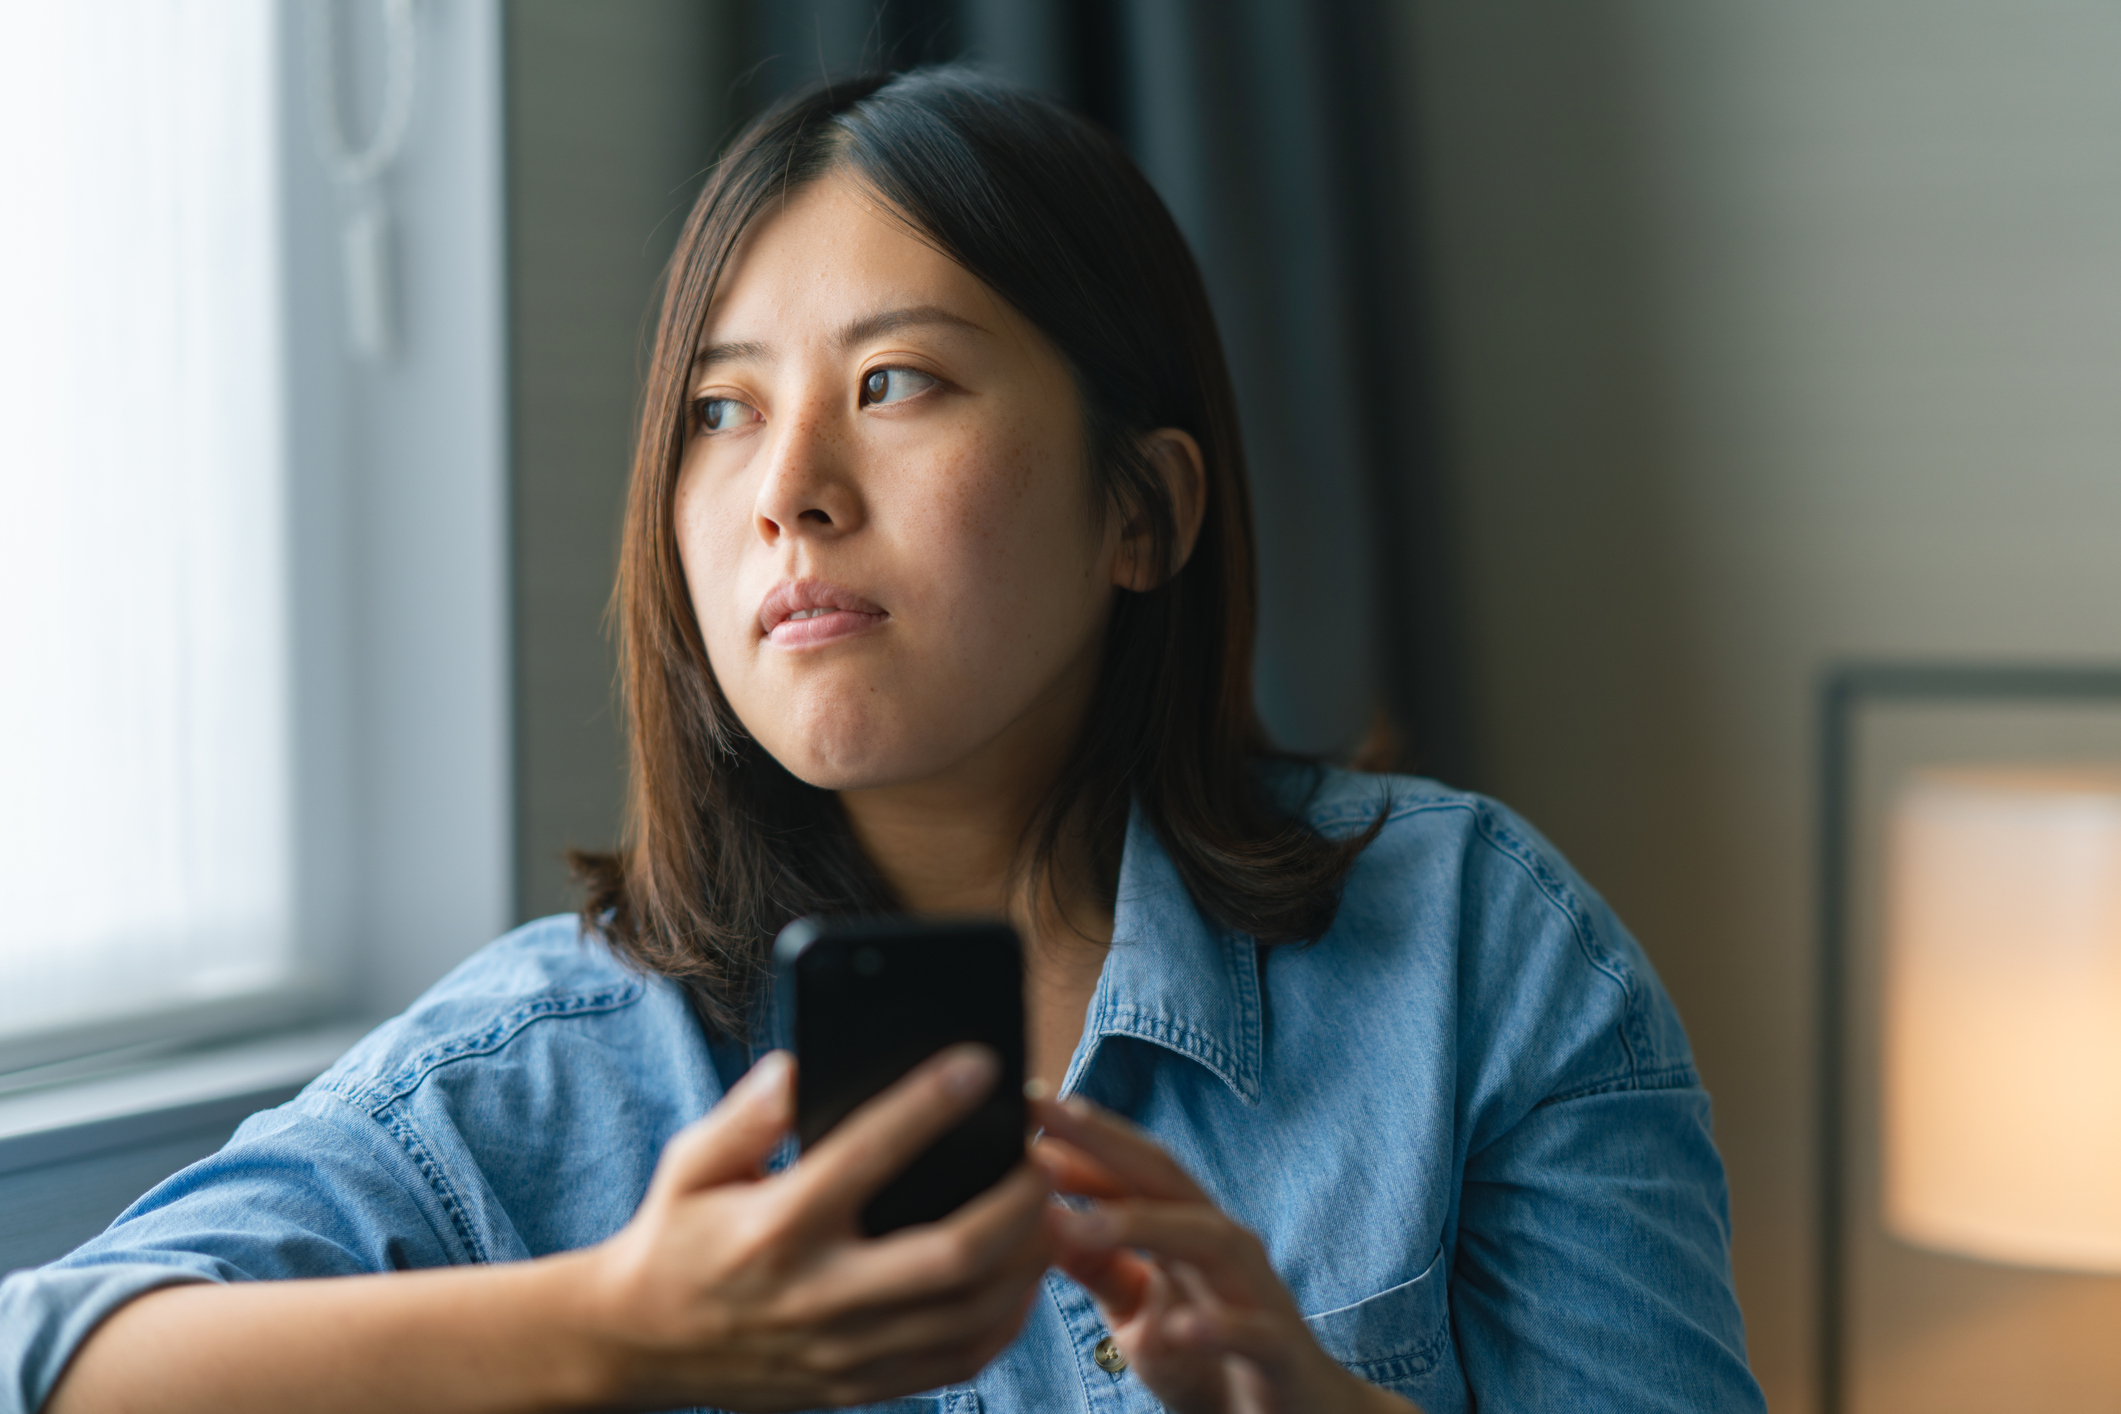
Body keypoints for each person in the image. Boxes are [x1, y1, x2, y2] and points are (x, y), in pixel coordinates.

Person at [0, 68, 1766, 1414]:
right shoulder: (537, 1074)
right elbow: (44, 1354)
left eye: (894, 381)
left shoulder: (1472, 947)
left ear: (1139, 511)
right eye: (718, 410)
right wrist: (617, 1324)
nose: (786, 494)